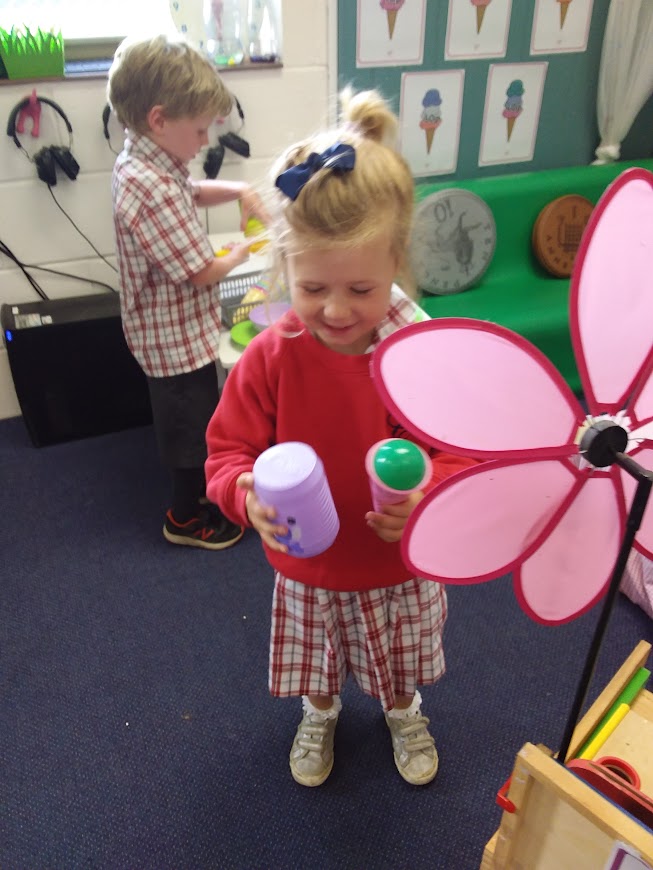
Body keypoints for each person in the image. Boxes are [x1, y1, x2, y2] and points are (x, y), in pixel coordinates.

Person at [204, 88, 476, 786]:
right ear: (285, 270)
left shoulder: (417, 354)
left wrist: (431, 495)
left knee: (397, 663)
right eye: (312, 286)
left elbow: (460, 451)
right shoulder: (271, 354)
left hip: (395, 562)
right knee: (318, 665)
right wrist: (241, 493)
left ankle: (402, 709)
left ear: (396, 266)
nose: (334, 309)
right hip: (311, 567)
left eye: (360, 289)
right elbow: (226, 452)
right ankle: (318, 714)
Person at [108, 34, 268, 550]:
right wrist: (252, 249)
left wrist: (241, 191)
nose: (203, 142)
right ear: (159, 119)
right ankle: (185, 515)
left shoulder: (148, 159)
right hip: (171, 339)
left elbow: (191, 190)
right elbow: (201, 271)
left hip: (174, 324)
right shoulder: (148, 187)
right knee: (189, 426)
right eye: (199, 130)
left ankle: (197, 492)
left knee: (195, 414)